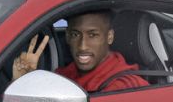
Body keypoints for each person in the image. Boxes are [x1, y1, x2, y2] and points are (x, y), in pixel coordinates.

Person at [13, 11, 149, 92]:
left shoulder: (124, 86)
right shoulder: (64, 75)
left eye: (92, 35)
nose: (83, 46)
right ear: (67, 36)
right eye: (75, 35)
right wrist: (22, 81)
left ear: (109, 37)